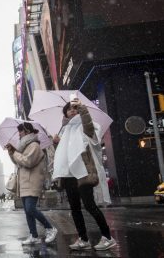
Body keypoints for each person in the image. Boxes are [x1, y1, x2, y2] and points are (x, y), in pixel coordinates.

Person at [53, 98, 116, 251]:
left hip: (83, 173)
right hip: (69, 175)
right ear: (65, 114)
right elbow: (64, 156)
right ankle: (83, 239)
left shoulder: (85, 126)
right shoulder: (65, 131)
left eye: (74, 108)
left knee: (90, 206)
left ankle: (108, 237)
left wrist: (82, 109)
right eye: (69, 109)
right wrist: (57, 143)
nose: (72, 110)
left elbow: (89, 128)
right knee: (75, 208)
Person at [6, 122, 58, 245]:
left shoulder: (34, 145)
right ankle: (33, 235)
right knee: (27, 211)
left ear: (27, 131)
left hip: (32, 181)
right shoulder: (23, 147)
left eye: (20, 131)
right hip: (24, 182)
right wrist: (11, 152)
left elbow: (28, 161)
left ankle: (50, 228)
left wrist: (15, 153)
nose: (19, 134)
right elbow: (19, 162)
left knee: (30, 208)